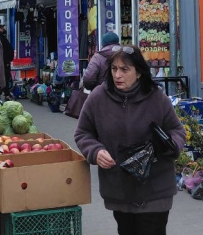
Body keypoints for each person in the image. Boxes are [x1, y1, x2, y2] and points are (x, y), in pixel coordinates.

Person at [75, 45, 185, 235]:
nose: (118, 75)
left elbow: (177, 130)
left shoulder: (157, 97)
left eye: (125, 69)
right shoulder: (98, 98)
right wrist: (95, 151)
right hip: (120, 189)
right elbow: (83, 133)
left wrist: (171, 144)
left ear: (139, 72)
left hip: (155, 188)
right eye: (114, 69)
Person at [0, 24, 15, 99]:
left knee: (5, 78)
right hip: (3, 62)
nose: (3, 29)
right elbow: (4, 51)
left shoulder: (1, 38)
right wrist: (6, 60)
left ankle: (4, 93)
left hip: (4, 61)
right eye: (2, 28)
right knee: (4, 78)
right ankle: (2, 93)